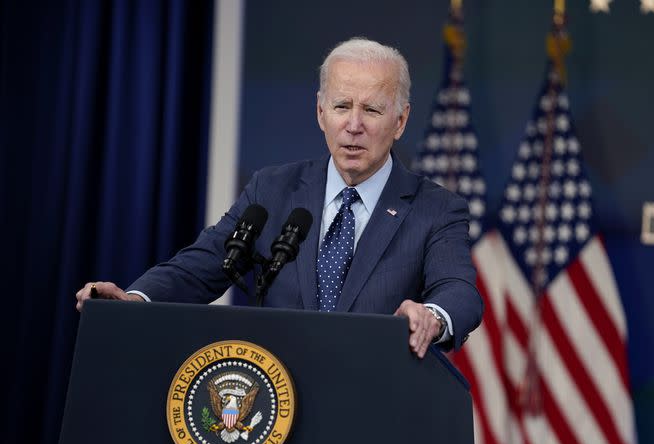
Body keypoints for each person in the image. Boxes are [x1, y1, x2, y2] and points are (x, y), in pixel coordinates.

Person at [76, 37, 483, 358]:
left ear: (401, 120)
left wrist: (432, 316)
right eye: (341, 106)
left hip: (375, 405)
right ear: (320, 112)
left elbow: (459, 292)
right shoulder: (273, 189)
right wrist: (135, 299)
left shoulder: (434, 208)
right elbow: (201, 265)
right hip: (277, 404)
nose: (353, 125)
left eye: (372, 110)